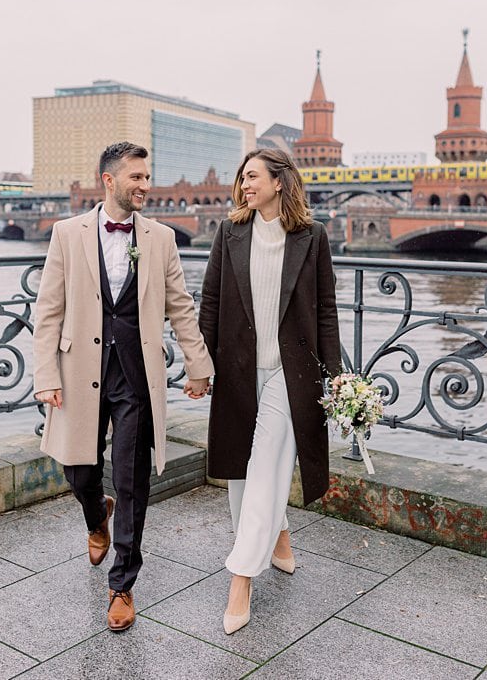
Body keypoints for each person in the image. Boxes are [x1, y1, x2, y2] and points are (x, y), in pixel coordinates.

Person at [34, 141, 214, 632]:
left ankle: (122, 584)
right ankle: (96, 517)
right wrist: (45, 374)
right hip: (78, 374)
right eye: (136, 177)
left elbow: (180, 306)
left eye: (147, 176)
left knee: (132, 478)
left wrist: (199, 366)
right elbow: (48, 310)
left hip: (137, 376)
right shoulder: (67, 234)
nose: (146, 185)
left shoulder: (161, 238)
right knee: (80, 473)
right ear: (109, 181)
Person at [197, 148, 341, 634]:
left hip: (290, 370)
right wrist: (201, 365)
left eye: (252, 176)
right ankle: (277, 531)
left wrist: (335, 371)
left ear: (280, 182)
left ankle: (240, 578)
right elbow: (211, 301)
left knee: (261, 467)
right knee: (240, 469)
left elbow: (325, 309)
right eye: (241, 176)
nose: (243, 183)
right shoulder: (229, 232)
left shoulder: (311, 237)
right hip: (238, 367)